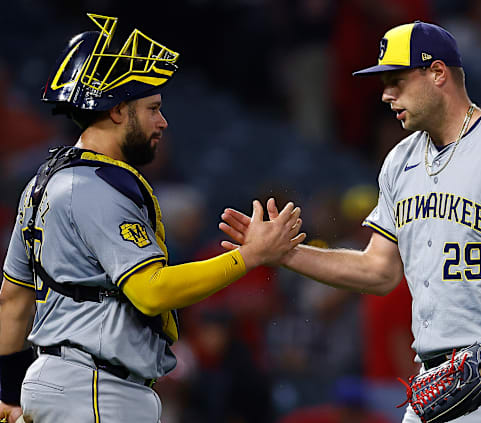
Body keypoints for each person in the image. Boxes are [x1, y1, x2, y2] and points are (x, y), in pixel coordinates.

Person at [221, 21, 481, 422]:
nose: (385, 94)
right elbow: (378, 270)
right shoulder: (400, 161)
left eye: (396, 81)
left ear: (438, 73)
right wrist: (286, 254)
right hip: (432, 378)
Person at [0, 13, 305, 423]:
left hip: (69, 383)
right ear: (117, 110)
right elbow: (152, 291)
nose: (162, 121)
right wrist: (249, 256)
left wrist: (9, 392)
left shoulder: (42, 185)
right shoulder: (96, 187)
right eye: (153, 108)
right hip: (95, 388)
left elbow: (12, 301)